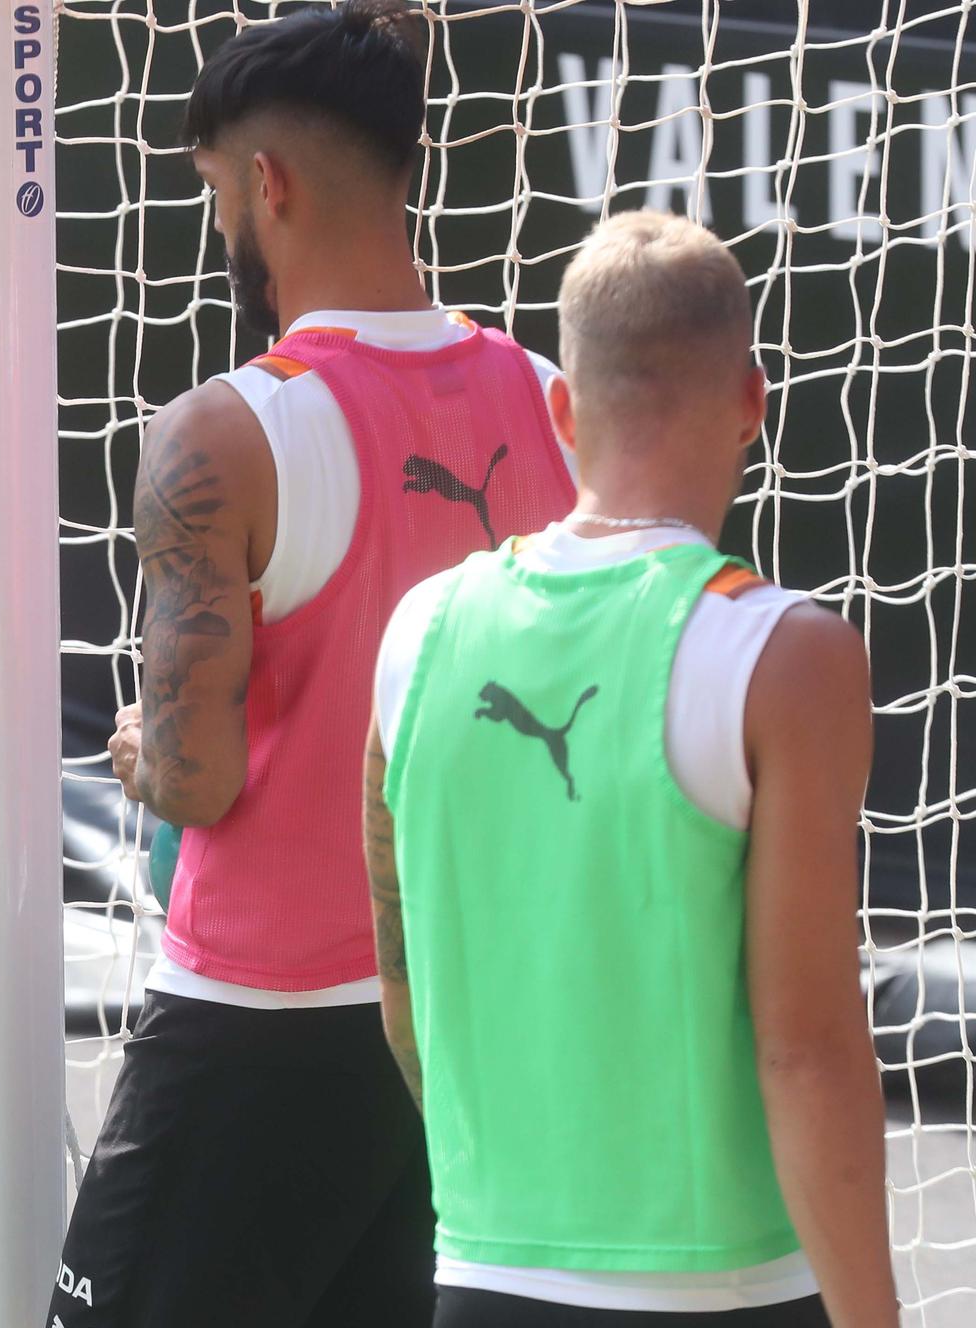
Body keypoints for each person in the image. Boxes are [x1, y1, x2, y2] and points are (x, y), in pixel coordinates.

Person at [51, 4, 576, 1325]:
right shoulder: (553, 397)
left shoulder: (220, 434)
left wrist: (133, 747)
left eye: (219, 191)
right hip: (469, 1012)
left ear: (267, 184)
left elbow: (194, 779)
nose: (223, 224)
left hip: (258, 1019)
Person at [365, 211, 897, 1328]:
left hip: (481, 1266)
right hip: (722, 1287)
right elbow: (804, 1045)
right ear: (753, 401)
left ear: (561, 408)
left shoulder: (419, 628)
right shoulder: (784, 652)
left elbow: (398, 979)